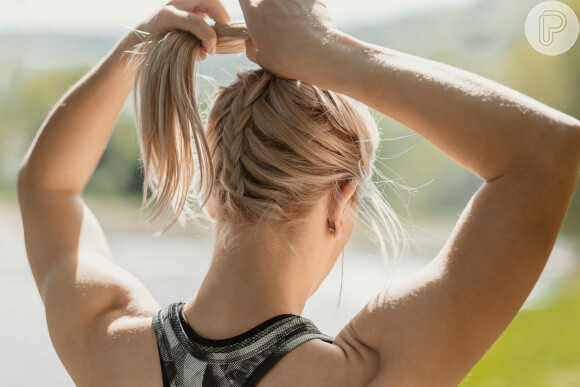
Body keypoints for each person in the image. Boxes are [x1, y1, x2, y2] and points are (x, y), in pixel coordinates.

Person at [17, 0, 580, 386]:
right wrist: (325, 53)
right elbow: (547, 155)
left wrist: (137, 49)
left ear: (211, 190)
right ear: (341, 202)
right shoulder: (366, 372)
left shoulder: (107, 341)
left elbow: (47, 185)